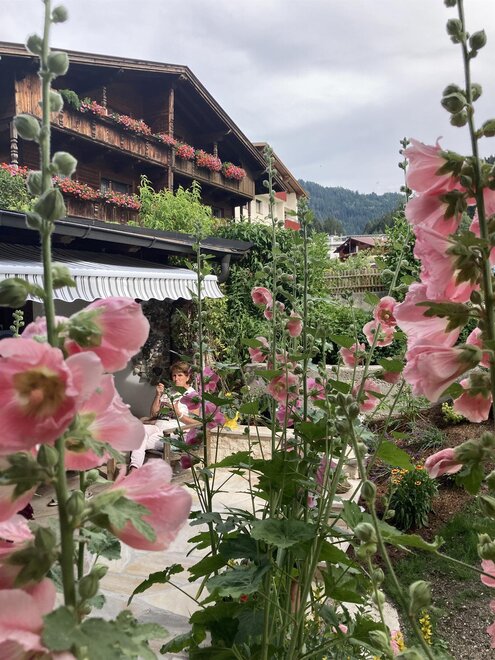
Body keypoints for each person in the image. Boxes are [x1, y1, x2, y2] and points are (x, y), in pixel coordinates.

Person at [128, 361, 197, 471]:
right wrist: (158, 395)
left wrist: (179, 414)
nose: (176, 379)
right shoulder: (169, 392)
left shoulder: (192, 396)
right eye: (174, 375)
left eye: (180, 375)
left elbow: (196, 423)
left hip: (173, 433)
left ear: (187, 377)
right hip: (157, 427)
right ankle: (135, 470)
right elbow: (154, 414)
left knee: (138, 440)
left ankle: (134, 469)